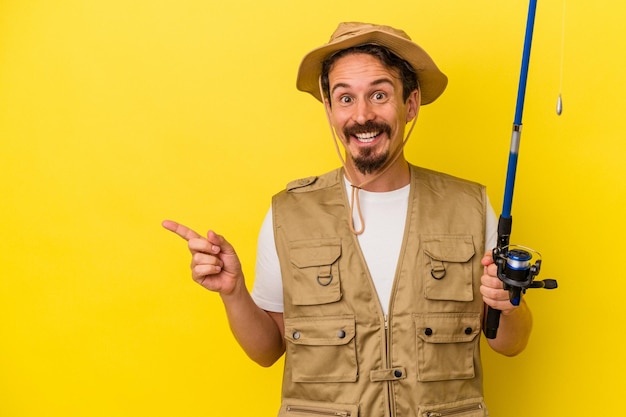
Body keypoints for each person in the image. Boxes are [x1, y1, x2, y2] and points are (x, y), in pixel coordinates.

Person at [163, 22, 532, 417]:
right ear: (329, 109)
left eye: (379, 94)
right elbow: (267, 350)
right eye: (345, 98)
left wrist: (508, 306)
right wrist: (232, 292)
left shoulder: (469, 207)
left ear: (410, 104)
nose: (362, 115)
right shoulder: (289, 214)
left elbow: (509, 343)